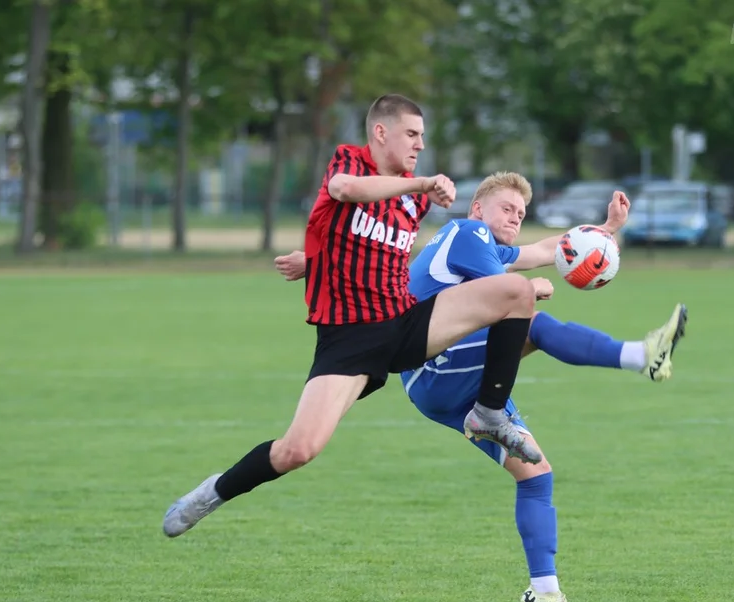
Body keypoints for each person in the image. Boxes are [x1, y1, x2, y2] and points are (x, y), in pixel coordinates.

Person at [275, 171, 687, 602]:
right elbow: (511, 291)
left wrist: (606, 232)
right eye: (507, 209)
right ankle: (643, 356)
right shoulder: (466, 232)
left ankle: (545, 592)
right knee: (531, 322)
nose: (515, 219)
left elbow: (544, 251)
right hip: (435, 368)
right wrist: (532, 290)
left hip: (447, 388)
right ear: (477, 209)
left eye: (521, 213)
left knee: (536, 476)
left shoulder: (481, 244)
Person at [162, 94, 550, 539]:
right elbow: (346, 192)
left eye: (423, 136)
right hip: (351, 341)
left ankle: (490, 413)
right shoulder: (354, 165)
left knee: (516, 292)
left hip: (404, 323)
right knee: (298, 450)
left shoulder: (411, 202)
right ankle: (214, 491)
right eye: (412, 134)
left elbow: (378, 256)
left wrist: (604, 234)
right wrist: (419, 185)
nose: (420, 145)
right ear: (380, 133)